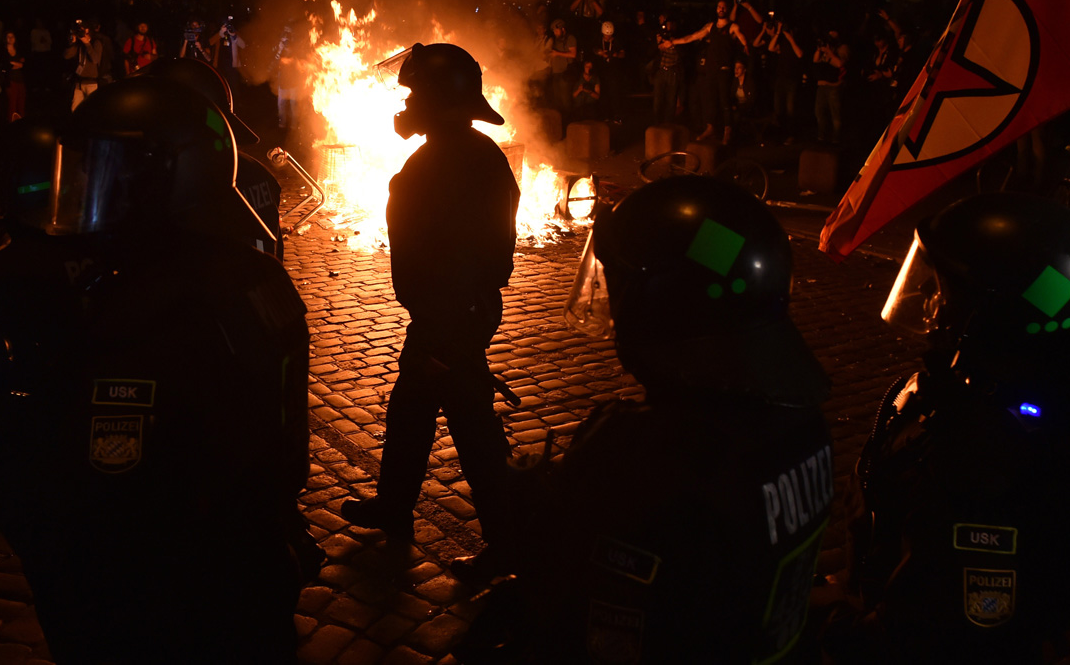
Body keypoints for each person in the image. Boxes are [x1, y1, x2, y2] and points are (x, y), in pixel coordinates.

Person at [0, 79, 314, 663]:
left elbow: (127, 467)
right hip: (232, 565)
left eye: (113, 170)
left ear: (168, 178)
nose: (93, 190)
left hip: (176, 587)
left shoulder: (167, 296)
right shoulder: (236, 275)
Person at [468, 175, 833, 661]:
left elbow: (580, 605)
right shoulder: (804, 424)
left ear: (661, 306)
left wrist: (542, 503)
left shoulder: (644, 454)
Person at [829, 193, 1070, 663]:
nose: (925, 296)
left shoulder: (980, 456)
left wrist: (837, 632)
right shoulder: (971, 390)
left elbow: (930, 626)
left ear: (987, 313)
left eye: (940, 286)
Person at [340, 43, 520, 583]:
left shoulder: (443, 163)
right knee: (410, 409)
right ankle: (394, 506)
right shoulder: (478, 153)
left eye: (416, 92)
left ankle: (508, 543)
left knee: (473, 428)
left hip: (450, 316)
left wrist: (448, 334)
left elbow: (466, 252)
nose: (407, 102)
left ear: (440, 99)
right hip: (455, 312)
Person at [669, 0, 750, 144]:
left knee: (724, 101)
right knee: (709, 100)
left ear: (727, 9)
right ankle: (710, 128)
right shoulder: (710, 27)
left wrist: (745, 45)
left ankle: (727, 131)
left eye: (724, 7)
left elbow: (741, 36)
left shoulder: (732, 27)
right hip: (711, 70)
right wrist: (673, 42)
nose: (721, 9)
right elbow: (692, 37)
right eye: (719, 6)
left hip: (724, 70)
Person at [812, 26, 849, 145]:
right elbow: (815, 60)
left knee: (835, 115)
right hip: (822, 86)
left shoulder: (842, 48)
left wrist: (829, 53)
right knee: (820, 113)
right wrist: (819, 49)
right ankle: (822, 138)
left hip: (834, 86)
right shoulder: (825, 48)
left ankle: (836, 140)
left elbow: (840, 64)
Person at [63, 22, 103, 110]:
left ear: (87, 30)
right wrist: (72, 43)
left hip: (91, 83)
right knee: (75, 108)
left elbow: (95, 59)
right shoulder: (79, 44)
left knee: (92, 109)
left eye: (82, 29)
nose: (80, 31)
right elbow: (66, 56)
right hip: (79, 82)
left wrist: (87, 44)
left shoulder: (96, 43)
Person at [592, 21, 626, 123]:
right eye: (606, 35)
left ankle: (616, 116)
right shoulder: (598, 40)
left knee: (615, 94)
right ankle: (604, 115)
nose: (607, 37)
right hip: (602, 71)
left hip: (614, 72)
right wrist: (601, 53)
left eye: (609, 35)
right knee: (603, 94)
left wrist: (614, 54)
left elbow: (623, 54)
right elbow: (594, 49)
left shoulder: (617, 41)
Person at [652, 19, 684, 125]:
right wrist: (658, 44)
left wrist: (673, 44)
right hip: (661, 70)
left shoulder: (678, 39)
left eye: (671, 24)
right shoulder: (661, 37)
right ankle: (657, 122)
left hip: (672, 72)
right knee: (658, 99)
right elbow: (653, 52)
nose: (669, 27)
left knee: (671, 99)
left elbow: (682, 54)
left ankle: (668, 123)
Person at [209, 17, 246, 106]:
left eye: (229, 25)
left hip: (233, 65)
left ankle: (236, 104)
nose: (227, 27)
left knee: (234, 86)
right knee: (221, 86)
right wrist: (221, 33)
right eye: (225, 25)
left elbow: (243, 45)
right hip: (220, 65)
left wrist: (234, 36)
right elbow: (211, 42)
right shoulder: (219, 34)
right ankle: (223, 104)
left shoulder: (235, 33)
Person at [548, 18, 577, 116]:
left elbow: (573, 54)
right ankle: (560, 120)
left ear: (563, 29)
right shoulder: (556, 40)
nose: (555, 33)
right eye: (554, 31)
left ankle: (569, 120)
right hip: (555, 72)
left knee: (566, 100)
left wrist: (557, 53)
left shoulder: (570, 38)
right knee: (557, 99)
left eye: (556, 30)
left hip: (565, 73)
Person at [0, 31, 25, 121]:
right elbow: (6, 66)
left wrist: (13, 63)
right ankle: (12, 126)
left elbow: (22, 64)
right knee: (12, 104)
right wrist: (16, 64)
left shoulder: (18, 50)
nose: (10, 39)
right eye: (8, 37)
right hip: (10, 80)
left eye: (12, 36)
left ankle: (21, 124)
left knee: (21, 104)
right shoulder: (3, 52)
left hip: (20, 80)